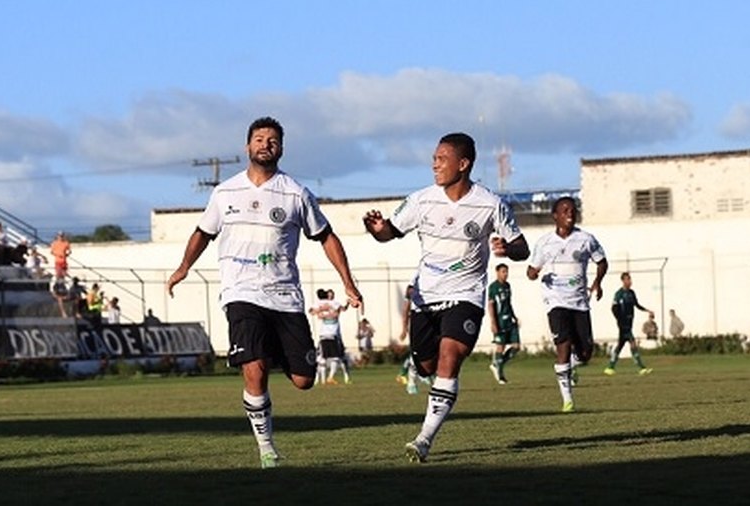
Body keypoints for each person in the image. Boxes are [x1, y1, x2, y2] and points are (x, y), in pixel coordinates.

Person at [166, 116, 362, 469]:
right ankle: (267, 448)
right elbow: (203, 233)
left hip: (286, 297)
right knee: (254, 370)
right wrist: (183, 267)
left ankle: (272, 351)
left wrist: (348, 282)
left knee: (304, 381)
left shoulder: (295, 193)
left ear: (281, 148)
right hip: (241, 293)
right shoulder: (224, 192)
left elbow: (327, 237)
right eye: (259, 138)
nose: (265, 144)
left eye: (272, 140)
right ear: (247, 146)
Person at [363, 131, 528, 463]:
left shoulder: (490, 203)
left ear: (463, 164)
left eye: (441, 158)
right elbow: (388, 233)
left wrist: (508, 249)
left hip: (466, 296)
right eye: (434, 158)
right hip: (426, 298)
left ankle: (424, 439)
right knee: (427, 366)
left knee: (449, 357)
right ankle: (433, 396)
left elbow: (523, 247)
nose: (434, 164)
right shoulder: (422, 200)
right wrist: (375, 227)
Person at [527, 196, 607, 414]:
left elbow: (602, 262)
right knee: (562, 344)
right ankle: (567, 400)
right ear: (555, 216)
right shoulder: (544, 243)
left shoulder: (586, 239)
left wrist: (597, 283)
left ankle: (574, 361)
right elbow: (530, 271)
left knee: (586, 353)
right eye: (565, 210)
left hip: (580, 302)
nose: (570, 213)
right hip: (555, 301)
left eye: (572, 210)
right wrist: (534, 273)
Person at [604, 272, 653, 376]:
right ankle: (641, 368)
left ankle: (610, 367)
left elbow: (637, 305)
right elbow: (614, 308)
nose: (629, 282)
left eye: (630, 279)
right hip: (623, 325)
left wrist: (647, 310)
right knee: (632, 343)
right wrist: (620, 320)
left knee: (620, 345)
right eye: (627, 279)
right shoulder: (619, 294)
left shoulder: (631, 293)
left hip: (629, 323)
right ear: (623, 281)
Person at [486, 263, 521, 385]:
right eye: (503, 271)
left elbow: (508, 303)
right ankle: (500, 375)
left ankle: (497, 364)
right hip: (499, 321)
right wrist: (493, 322)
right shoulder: (493, 287)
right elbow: (491, 305)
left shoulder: (507, 286)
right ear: (497, 272)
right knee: (500, 347)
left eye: (506, 271)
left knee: (516, 347)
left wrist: (514, 316)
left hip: (509, 320)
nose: (505, 274)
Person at [309, 288, 350, 385]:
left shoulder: (330, 303)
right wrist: (321, 311)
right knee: (332, 357)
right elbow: (312, 311)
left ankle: (331, 378)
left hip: (331, 334)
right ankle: (325, 379)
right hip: (328, 334)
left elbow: (311, 311)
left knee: (332, 357)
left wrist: (321, 313)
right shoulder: (332, 304)